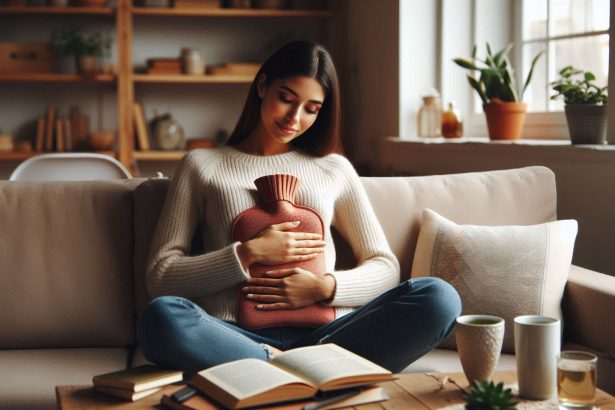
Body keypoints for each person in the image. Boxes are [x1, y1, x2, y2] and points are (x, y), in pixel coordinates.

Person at [137, 41, 461, 375]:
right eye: (287, 99)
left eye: (311, 108)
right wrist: (246, 254)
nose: (295, 117)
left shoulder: (333, 169)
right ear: (263, 86)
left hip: (329, 336)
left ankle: (270, 374)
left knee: (440, 298)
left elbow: (384, 266)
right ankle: (292, 369)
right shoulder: (202, 165)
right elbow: (160, 275)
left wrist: (324, 287)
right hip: (234, 337)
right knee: (160, 317)